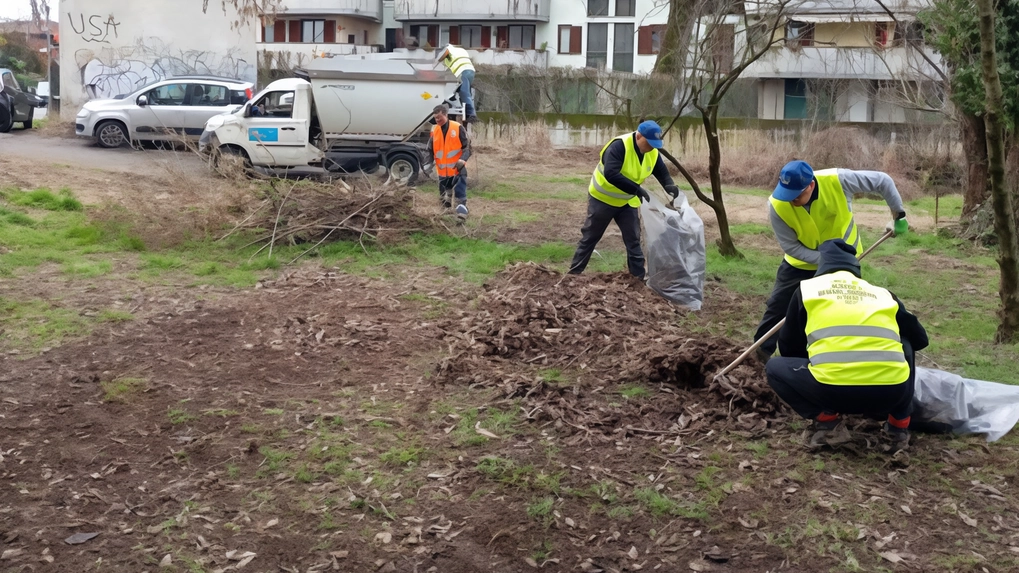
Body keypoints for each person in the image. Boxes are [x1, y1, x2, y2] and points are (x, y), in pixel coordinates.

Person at [766, 239, 929, 451]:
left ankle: (828, 422)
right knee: (905, 343)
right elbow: (920, 340)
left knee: (774, 368)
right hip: (890, 393)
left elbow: (788, 347)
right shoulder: (883, 294)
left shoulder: (808, 290)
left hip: (832, 393)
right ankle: (898, 428)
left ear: (822, 267)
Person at [755, 160, 910, 362]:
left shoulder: (838, 180)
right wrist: (826, 259)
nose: (791, 201)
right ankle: (759, 355)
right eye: (787, 195)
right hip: (799, 264)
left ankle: (831, 358)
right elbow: (791, 247)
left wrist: (899, 215)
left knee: (837, 311)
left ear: (810, 185)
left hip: (843, 264)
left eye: (797, 195)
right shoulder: (776, 205)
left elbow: (882, 181)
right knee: (778, 307)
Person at [568, 120, 681, 280]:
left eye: (655, 144)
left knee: (633, 241)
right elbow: (611, 174)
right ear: (639, 136)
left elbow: (661, 172)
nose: (651, 147)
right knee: (590, 238)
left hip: (626, 203)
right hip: (603, 200)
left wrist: (669, 185)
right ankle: (572, 276)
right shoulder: (619, 146)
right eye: (649, 143)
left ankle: (638, 280)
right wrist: (637, 189)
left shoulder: (652, 152)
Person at [427, 104, 470, 220]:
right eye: (435, 118)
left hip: (457, 169)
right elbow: (430, 150)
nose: (437, 120)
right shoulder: (435, 130)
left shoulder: (457, 128)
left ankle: (461, 215)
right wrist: (428, 164)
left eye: (439, 117)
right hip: (442, 172)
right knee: (444, 199)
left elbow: (467, 148)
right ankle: (445, 216)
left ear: (446, 115)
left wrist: (463, 160)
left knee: (459, 195)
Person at [437, 45, 477, 123]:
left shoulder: (449, 50)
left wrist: (437, 60)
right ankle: (467, 114)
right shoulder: (461, 50)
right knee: (463, 92)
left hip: (462, 71)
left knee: (463, 91)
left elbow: (444, 55)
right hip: (471, 72)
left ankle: (471, 114)